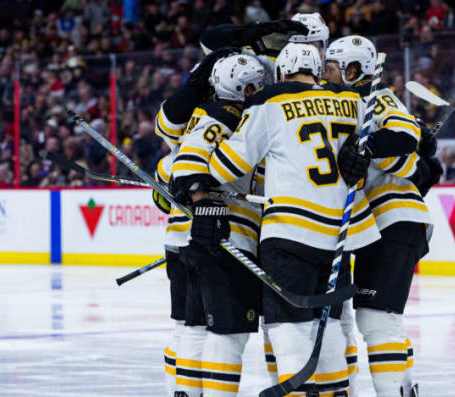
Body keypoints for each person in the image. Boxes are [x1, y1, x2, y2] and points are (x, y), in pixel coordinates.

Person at [206, 42, 382, 396]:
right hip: (339, 236)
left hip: (289, 233)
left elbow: (224, 167)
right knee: (329, 327)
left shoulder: (270, 103)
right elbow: (372, 147)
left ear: (283, 73)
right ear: (317, 71)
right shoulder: (353, 102)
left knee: (289, 331)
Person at [325, 35, 436, 397]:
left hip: (395, 218)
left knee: (377, 318)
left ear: (354, 69)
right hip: (375, 224)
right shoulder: (346, 103)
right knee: (376, 319)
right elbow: (412, 156)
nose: (324, 73)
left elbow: (406, 136)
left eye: (331, 67)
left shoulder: (379, 97)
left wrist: (367, 148)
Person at [168, 53, 266, 397]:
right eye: (257, 84)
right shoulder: (228, 115)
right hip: (228, 238)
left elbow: (175, 167)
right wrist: (204, 204)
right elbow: (188, 162)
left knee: (196, 326)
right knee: (229, 333)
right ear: (245, 87)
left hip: (199, 240)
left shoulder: (212, 114)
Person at [151, 47, 241, 397]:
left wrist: (167, 189)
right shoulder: (223, 120)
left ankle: (180, 391)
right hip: (207, 233)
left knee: (185, 326)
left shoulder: (187, 126)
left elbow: (163, 190)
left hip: (178, 237)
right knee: (208, 328)